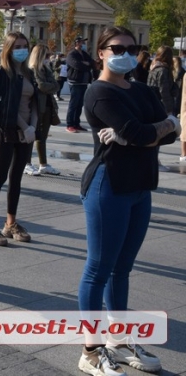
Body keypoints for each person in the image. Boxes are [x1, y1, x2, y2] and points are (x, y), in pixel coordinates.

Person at [76, 26, 176, 376]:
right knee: (98, 269)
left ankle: (118, 341)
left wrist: (153, 129)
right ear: (101, 52)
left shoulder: (143, 89)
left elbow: (165, 132)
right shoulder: (98, 92)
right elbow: (147, 132)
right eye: (117, 47)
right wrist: (152, 130)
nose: (127, 54)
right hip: (110, 186)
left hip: (140, 187)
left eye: (133, 48)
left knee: (123, 269)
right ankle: (90, 350)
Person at [0, 32, 37, 246]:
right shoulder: (0, 72)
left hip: (27, 132)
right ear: (8, 48)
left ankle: (10, 222)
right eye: (17, 46)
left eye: (25, 46)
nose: (21, 50)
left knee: (17, 178)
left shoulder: (29, 73)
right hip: (7, 130)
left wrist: (32, 126)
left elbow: (36, 102)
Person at [25, 44, 61, 176]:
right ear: (39, 56)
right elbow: (41, 86)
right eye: (46, 55)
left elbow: (56, 85)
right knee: (33, 135)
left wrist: (50, 86)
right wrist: (51, 86)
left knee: (42, 137)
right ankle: (27, 163)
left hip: (47, 106)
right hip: (36, 107)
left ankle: (43, 164)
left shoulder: (46, 69)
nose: (48, 58)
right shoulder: (33, 69)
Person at [66, 36, 93, 132]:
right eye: (82, 42)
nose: (83, 44)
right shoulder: (71, 54)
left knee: (80, 104)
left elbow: (91, 63)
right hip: (75, 82)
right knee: (74, 104)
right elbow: (76, 65)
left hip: (84, 82)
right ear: (76, 43)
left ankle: (76, 123)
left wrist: (86, 64)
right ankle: (70, 124)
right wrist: (85, 65)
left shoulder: (85, 54)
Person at [147, 45, 176, 115]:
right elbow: (164, 91)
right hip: (162, 106)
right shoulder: (163, 70)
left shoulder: (153, 68)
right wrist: (169, 109)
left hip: (152, 103)